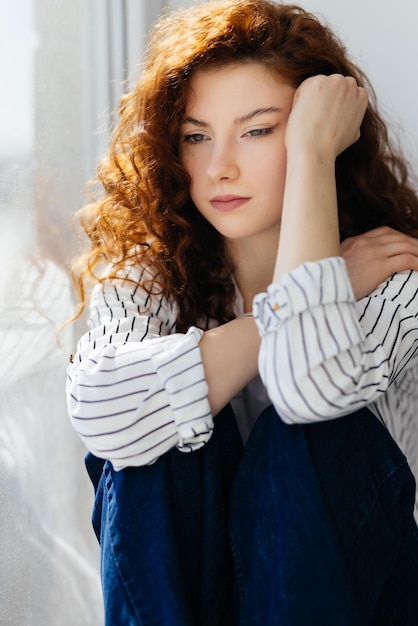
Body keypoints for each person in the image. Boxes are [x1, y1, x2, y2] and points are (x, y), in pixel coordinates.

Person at [66, 0, 418, 623]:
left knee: (306, 427)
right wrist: (324, 283)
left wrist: (310, 156)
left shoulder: (394, 267)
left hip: (354, 599)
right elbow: (103, 411)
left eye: (259, 130)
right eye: (195, 136)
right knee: (150, 443)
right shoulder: (148, 272)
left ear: (327, 135)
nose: (219, 167)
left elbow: (310, 391)